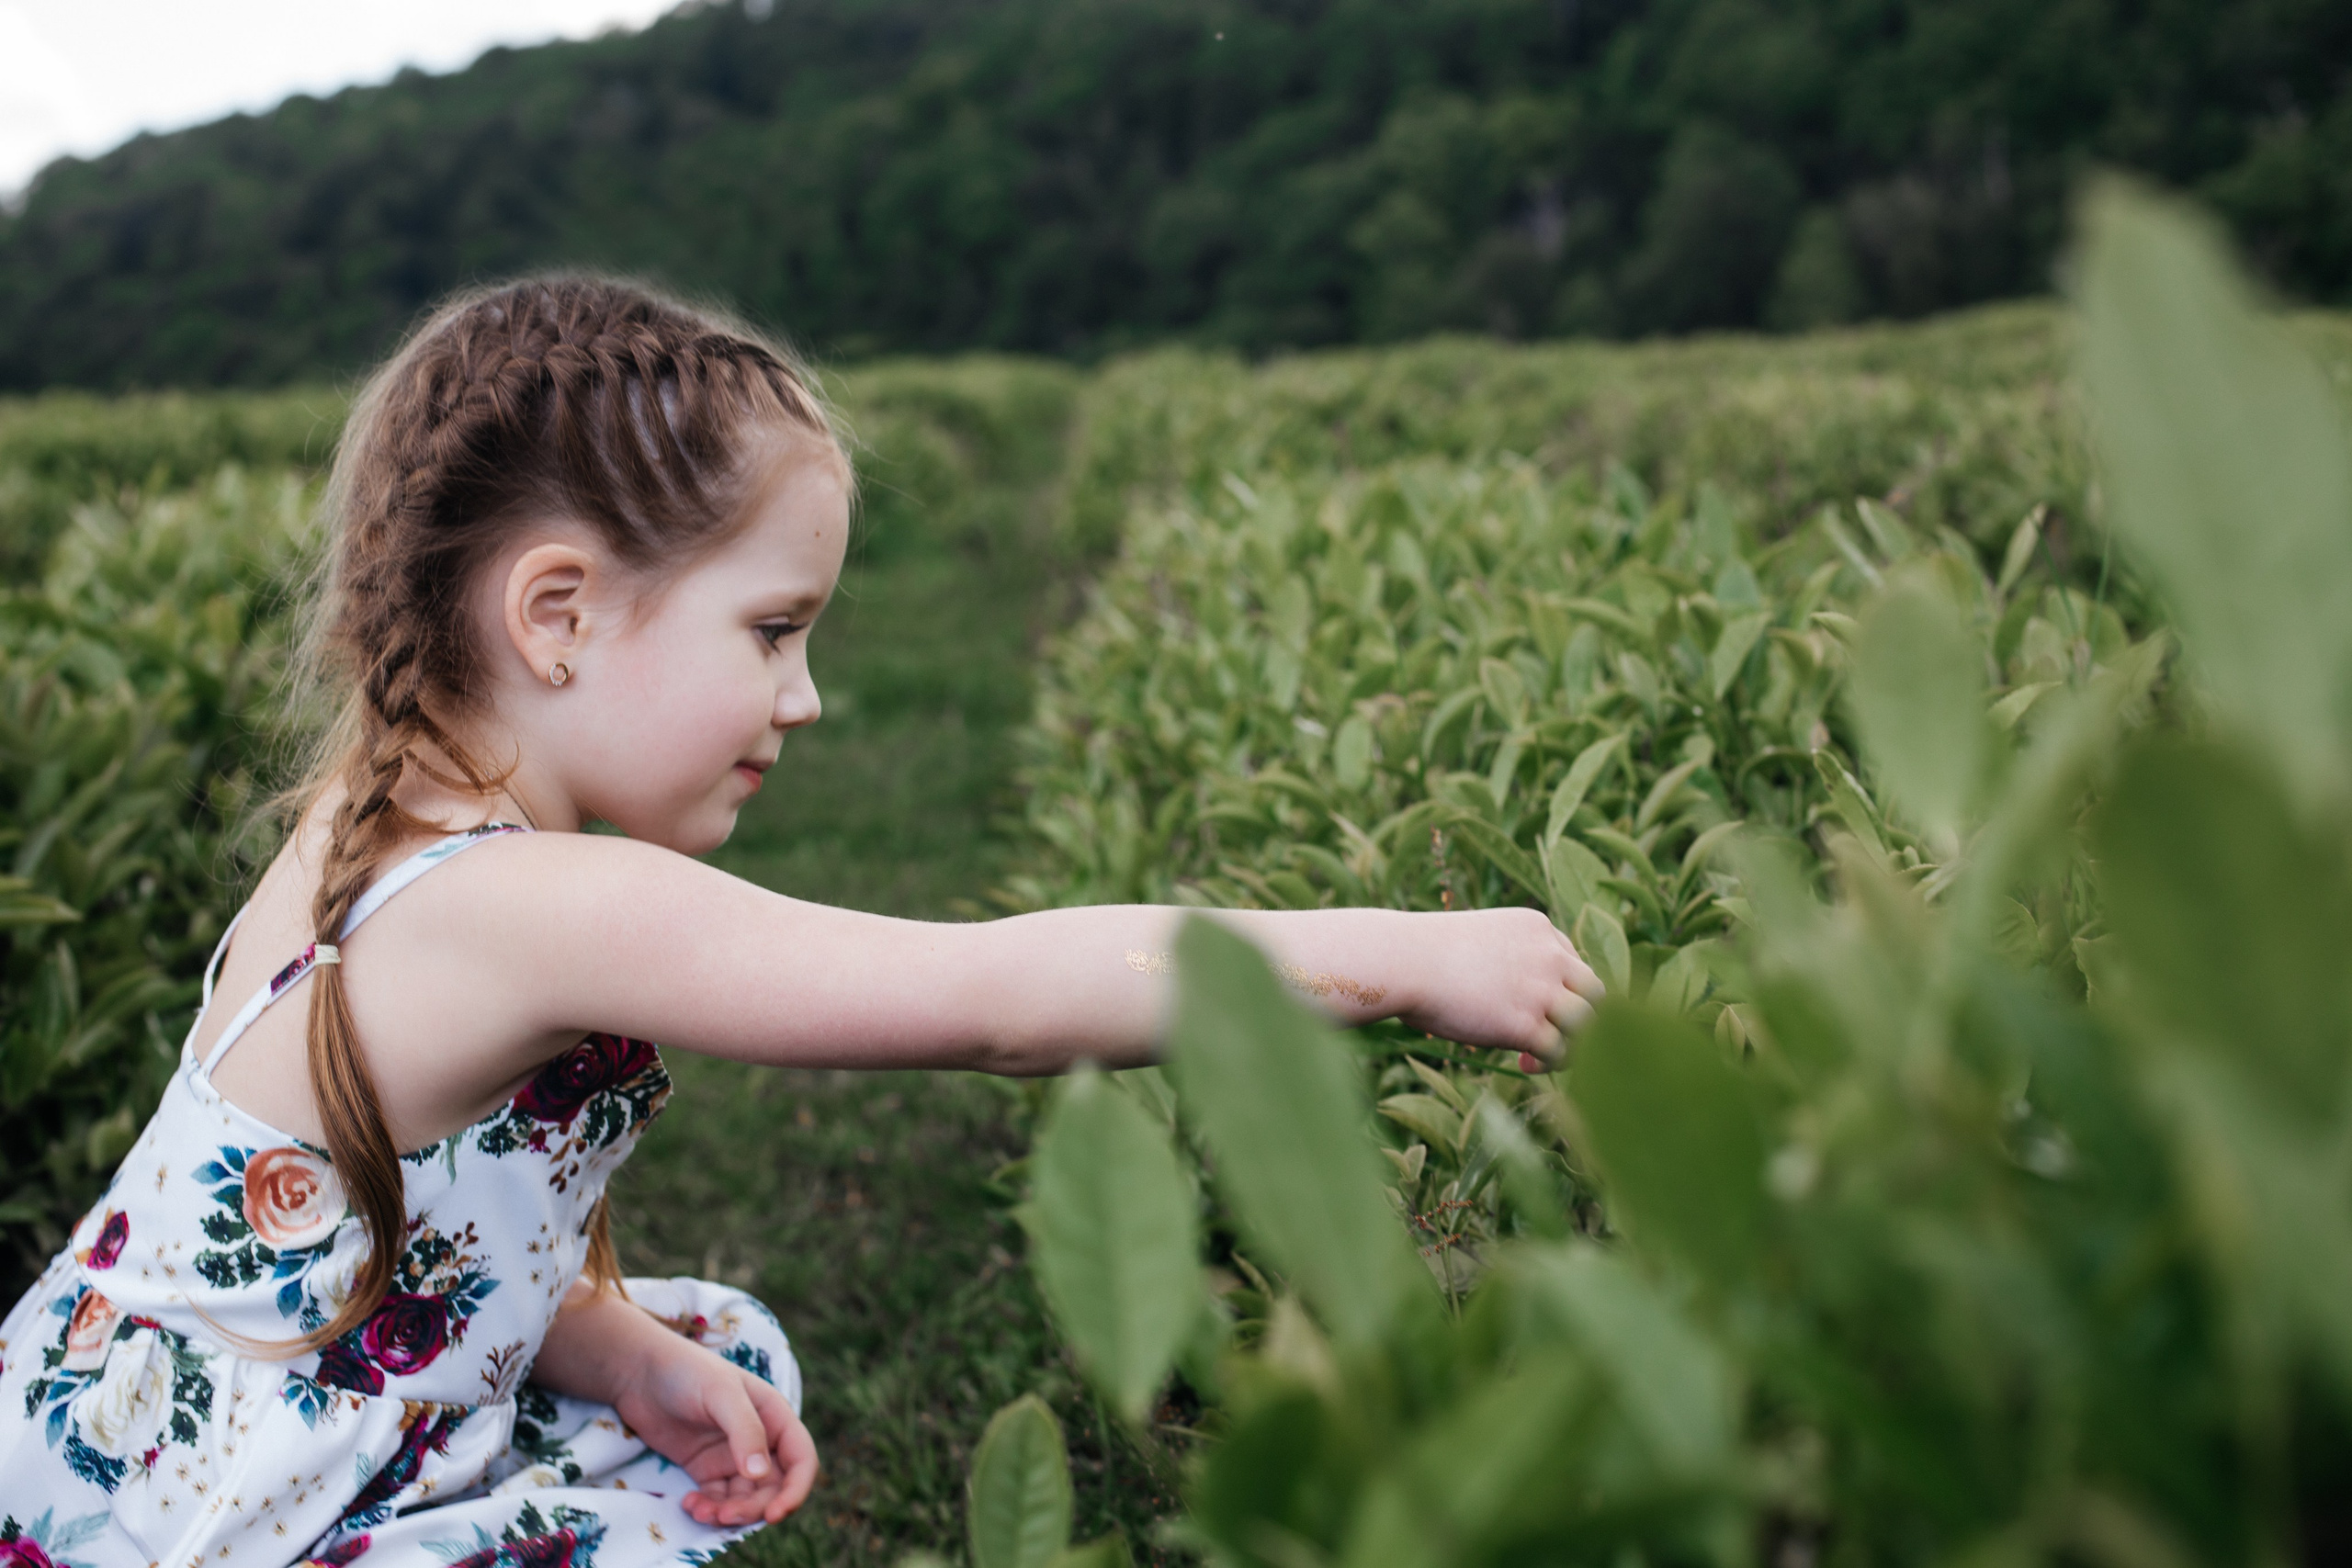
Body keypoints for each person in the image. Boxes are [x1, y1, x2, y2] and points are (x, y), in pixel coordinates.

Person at [0, 278, 1604, 1564]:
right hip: (207, 1527)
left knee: (714, 1352)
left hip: (115, 1456)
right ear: (557, 615)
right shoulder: (530, 904)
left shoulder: (364, 827)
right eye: (772, 631)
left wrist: (618, 1351)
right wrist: (1406, 954)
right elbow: (994, 999)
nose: (807, 695)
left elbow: (364, 1251)